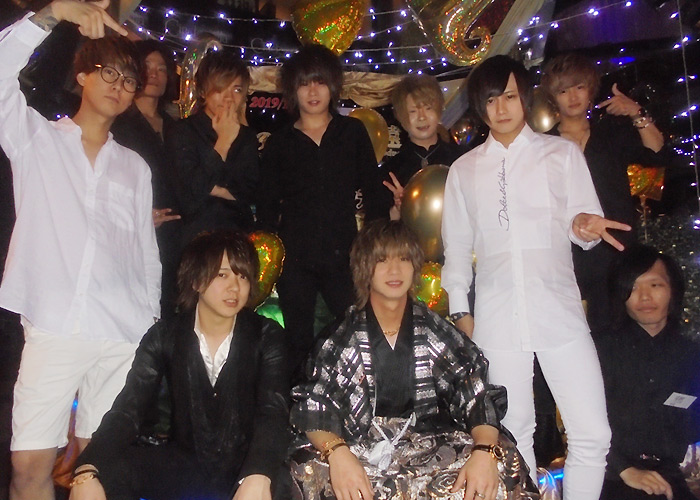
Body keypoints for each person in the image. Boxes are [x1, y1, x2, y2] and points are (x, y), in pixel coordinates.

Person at [441, 54, 628, 500]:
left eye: (508, 96)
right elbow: (456, 249)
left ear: (524, 97)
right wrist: (460, 311)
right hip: (497, 317)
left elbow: (583, 223)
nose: (501, 108)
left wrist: (583, 226)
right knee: (513, 436)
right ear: (479, 107)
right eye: (490, 100)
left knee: (592, 433)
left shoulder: (561, 153)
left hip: (559, 310)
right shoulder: (464, 170)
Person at [0, 2, 161, 499]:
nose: (119, 85)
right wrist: (52, 13)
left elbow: (145, 253)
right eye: (108, 72)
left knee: (100, 471)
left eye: (129, 79)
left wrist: (151, 324)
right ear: (83, 76)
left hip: (121, 332)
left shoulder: (134, 167)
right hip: (55, 323)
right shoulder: (37, 140)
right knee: (29, 466)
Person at [290, 220, 536, 500]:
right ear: (363, 268)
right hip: (357, 450)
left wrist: (483, 451)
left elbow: (475, 393)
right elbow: (314, 404)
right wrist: (337, 453)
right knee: (306, 468)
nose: (395, 270)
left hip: (429, 448)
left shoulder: (434, 330)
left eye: (404, 259)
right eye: (382, 260)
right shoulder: (341, 338)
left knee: (502, 458)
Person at [69, 231, 290, 500]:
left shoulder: (266, 335)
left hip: (248, 464)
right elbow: (128, 410)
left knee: (280, 484)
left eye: (242, 276)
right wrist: (87, 468)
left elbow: (273, 411)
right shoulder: (165, 335)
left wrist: (258, 473)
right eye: (222, 275)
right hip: (184, 464)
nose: (234, 287)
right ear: (196, 280)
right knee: (103, 476)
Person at [257, 44, 383, 375]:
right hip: (295, 258)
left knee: (356, 335)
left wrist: (375, 246)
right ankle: (299, 403)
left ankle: (353, 399)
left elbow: (373, 191)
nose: (313, 92)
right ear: (292, 90)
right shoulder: (280, 143)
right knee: (297, 340)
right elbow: (267, 205)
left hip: (345, 254)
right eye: (304, 84)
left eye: (320, 82)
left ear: (333, 86)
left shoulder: (351, 132)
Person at [541, 53, 667, 330]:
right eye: (563, 90)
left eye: (579, 87)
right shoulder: (544, 145)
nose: (573, 96)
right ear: (553, 97)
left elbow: (657, 152)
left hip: (618, 247)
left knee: (622, 330)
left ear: (590, 90)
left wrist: (635, 111)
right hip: (569, 251)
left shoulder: (611, 132)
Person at [596, 245, 700, 500]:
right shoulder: (597, 350)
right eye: (632, 287)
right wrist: (624, 468)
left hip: (669, 477)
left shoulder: (691, 355)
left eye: (655, 285)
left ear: (673, 290)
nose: (644, 297)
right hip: (608, 476)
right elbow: (576, 422)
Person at [111, 39, 181, 318]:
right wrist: (137, 215)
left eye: (162, 68)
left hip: (174, 236)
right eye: (147, 66)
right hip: (130, 232)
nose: (154, 74)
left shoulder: (177, 127)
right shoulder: (118, 123)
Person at [169, 49, 259, 246]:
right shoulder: (183, 131)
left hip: (238, 237)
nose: (229, 98)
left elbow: (250, 193)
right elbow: (189, 194)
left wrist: (211, 188)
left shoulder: (247, 137)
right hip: (196, 240)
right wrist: (224, 142)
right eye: (220, 88)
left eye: (237, 89)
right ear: (202, 91)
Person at [374, 74, 464, 220]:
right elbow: (378, 226)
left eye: (428, 108)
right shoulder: (390, 173)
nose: (422, 117)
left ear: (439, 110)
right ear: (400, 116)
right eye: (413, 111)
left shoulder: (462, 160)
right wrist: (398, 210)